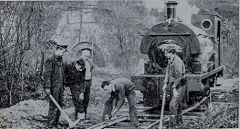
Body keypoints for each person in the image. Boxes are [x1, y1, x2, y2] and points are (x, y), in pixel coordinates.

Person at [43, 40, 68, 128]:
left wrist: (64, 84)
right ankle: (49, 125)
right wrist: (47, 87)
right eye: (63, 52)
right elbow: (47, 74)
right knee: (53, 106)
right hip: (54, 87)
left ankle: (56, 124)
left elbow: (62, 73)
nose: (64, 53)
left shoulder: (60, 59)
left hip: (60, 86)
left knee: (60, 105)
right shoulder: (50, 59)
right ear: (59, 49)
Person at [162, 45, 186, 128]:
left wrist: (174, 88)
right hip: (174, 85)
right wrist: (165, 83)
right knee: (177, 106)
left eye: (166, 53)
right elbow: (167, 72)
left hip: (180, 85)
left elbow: (179, 76)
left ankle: (173, 126)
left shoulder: (177, 61)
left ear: (171, 53)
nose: (165, 55)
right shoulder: (170, 60)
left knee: (172, 105)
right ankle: (179, 124)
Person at [80, 48, 94, 118]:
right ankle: (79, 115)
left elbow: (92, 70)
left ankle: (85, 114)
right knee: (80, 98)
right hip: (81, 82)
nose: (86, 57)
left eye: (87, 55)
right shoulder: (79, 61)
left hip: (88, 82)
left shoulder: (90, 62)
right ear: (81, 55)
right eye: (84, 55)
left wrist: (91, 83)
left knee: (86, 99)